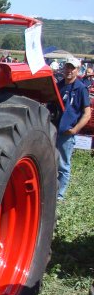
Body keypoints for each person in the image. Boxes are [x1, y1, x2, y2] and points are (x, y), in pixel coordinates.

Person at [56, 57, 92, 200]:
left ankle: (59, 195)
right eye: (67, 67)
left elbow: (87, 114)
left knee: (63, 164)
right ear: (63, 68)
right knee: (51, 161)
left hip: (66, 133)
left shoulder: (81, 88)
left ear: (78, 70)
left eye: (72, 68)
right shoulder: (58, 85)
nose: (69, 71)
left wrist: (75, 130)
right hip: (53, 130)